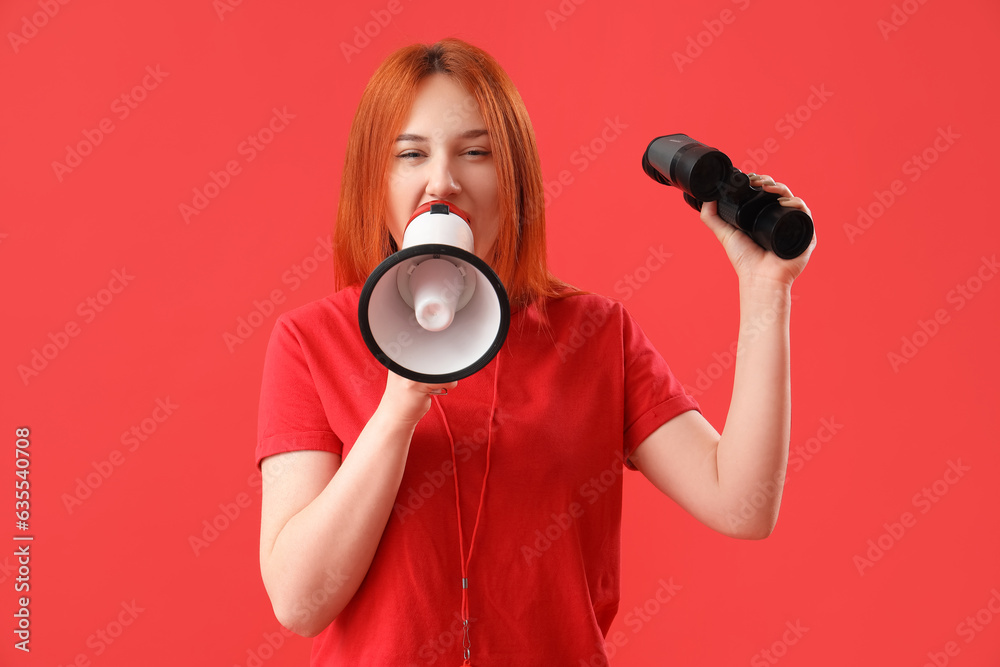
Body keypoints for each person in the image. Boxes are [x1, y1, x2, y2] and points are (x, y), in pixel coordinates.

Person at [256, 37, 816, 666]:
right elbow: (300, 603)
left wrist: (765, 291)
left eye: (476, 152)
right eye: (410, 154)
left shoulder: (595, 334)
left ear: (514, 179)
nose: (442, 180)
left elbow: (741, 504)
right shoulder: (311, 341)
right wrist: (398, 407)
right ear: (374, 180)